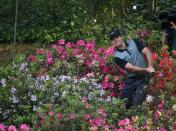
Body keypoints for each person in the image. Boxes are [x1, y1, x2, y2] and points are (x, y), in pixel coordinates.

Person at [109, 30, 155, 109]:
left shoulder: (134, 42)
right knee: (124, 103)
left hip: (143, 78)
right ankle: (126, 120)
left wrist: (151, 66)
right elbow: (132, 68)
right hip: (131, 80)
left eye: (117, 37)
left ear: (121, 36)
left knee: (136, 105)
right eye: (113, 39)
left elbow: (147, 52)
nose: (115, 40)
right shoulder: (117, 57)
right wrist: (147, 69)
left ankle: (135, 118)